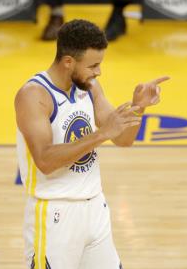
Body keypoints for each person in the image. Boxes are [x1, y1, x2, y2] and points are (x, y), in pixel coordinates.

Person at [14, 19, 169, 268]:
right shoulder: (34, 96)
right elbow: (44, 160)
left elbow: (123, 139)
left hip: (95, 208)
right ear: (68, 62)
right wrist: (101, 134)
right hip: (55, 214)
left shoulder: (90, 87)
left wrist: (138, 108)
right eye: (94, 65)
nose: (99, 72)